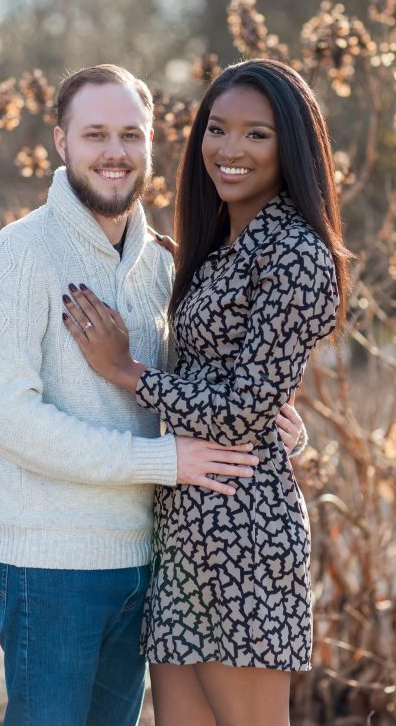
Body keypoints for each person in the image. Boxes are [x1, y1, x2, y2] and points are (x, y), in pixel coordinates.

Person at [0, 64, 304, 726]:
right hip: (50, 565)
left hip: (147, 563)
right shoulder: (19, 254)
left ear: (152, 143)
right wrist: (163, 461)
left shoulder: (166, 263)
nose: (114, 152)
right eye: (95, 133)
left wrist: (277, 423)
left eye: (130, 134)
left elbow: (194, 394)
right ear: (62, 142)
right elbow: (6, 419)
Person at [64, 59, 349, 726]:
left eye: (257, 134)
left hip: (244, 530)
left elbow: (241, 411)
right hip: (182, 528)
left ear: (292, 146)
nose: (229, 149)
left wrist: (126, 370)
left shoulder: (298, 254)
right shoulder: (218, 243)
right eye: (217, 129)